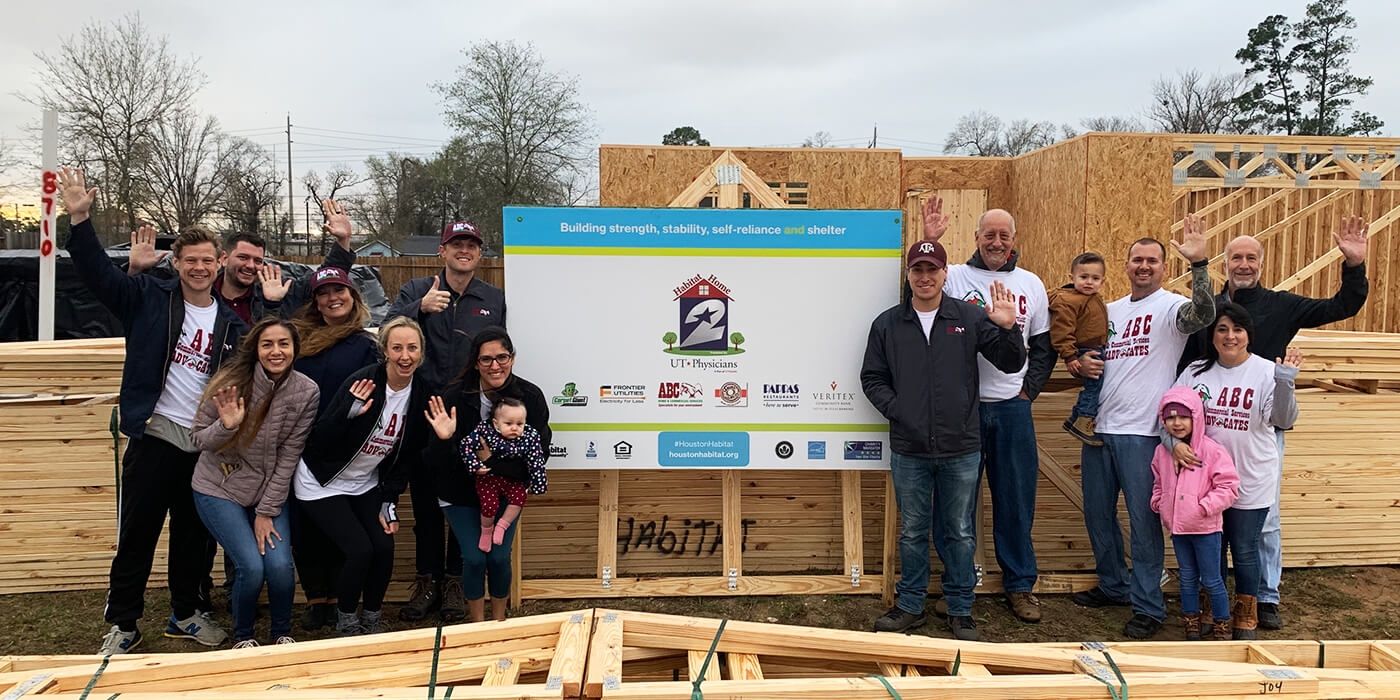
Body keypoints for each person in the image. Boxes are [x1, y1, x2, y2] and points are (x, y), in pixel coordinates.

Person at [61, 168, 246, 654]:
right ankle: (123, 624)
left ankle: (185, 614)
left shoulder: (230, 325)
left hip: (202, 446)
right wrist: (80, 219)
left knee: (193, 538)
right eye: (191, 260)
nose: (200, 268)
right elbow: (97, 277)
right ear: (178, 263)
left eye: (208, 260)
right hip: (156, 436)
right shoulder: (148, 297)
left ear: (220, 262)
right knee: (137, 537)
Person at [1176, 216, 1368, 631]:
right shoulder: (1205, 308)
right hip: (1211, 428)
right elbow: (1187, 358)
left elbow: (1341, 307)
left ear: (1261, 264)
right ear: (1224, 263)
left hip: (1262, 428)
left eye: (1251, 258)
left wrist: (1354, 267)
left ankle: (1264, 597)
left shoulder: (1282, 305)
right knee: (1210, 519)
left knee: (1264, 520)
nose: (1243, 264)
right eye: (1236, 258)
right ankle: (1216, 598)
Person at [859, 238, 1026, 641]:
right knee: (913, 531)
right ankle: (911, 604)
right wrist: (901, 412)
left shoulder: (968, 318)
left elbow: (1011, 362)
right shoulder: (888, 324)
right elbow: (872, 379)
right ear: (909, 275)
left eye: (932, 269)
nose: (925, 277)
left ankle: (960, 607)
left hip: (961, 448)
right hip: (910, 448)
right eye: (918, 269)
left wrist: (1009, 328)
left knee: (960, 531)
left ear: (945, 274)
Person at [1071, 213, 1214, 640]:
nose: (1144, 266)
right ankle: (1114, 586)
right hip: (1100, 429)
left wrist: (1200, 265)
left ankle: (1148, 606)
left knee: (1142, 521)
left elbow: (1203, 314)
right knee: (1098, 515)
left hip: (1144, 433)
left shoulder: (1171, 308)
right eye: (1137, 259)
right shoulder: (1107, 310)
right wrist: (1078, 362)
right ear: (1127, 264)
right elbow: (1086, 355)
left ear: (1164, 267)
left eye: (1152, 260)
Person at [922, 198, 1054, 624]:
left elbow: (1045, 348)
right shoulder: (956, 277)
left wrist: (1028, 392)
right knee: (955, 506)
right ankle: (959, 585)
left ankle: (1019, 586)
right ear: (976, 238)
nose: (996, 242)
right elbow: (917, 291)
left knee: (1016, 501)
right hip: (964, 410)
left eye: (1004, 235)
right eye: (988, 234)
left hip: (1012, 411)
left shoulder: (1032, 284)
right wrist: (928, 241)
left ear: (1013, 240)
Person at [387, 221, 504, 622]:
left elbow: (497, 353)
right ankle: (428, 581)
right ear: (442, 251)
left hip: (469, 413)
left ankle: (456, 580)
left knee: (465, 499)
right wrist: (417, 310)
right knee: (424, 502)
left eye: (471, 244)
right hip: (423, 411)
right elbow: (386, 331)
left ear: (479, 253)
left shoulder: (492, 298)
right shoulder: (416, 291)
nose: (464, 250)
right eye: (457, 244)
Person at [294, 317, 437, 635]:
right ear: (385, 350)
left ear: (421, 353)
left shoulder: (423, 393)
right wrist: (348, 414)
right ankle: (346, 619)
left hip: (364, 483)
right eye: (397, 347)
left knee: (384, 549)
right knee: (360, 550)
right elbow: (319, 440)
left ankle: (371, 616)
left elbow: (407, 457)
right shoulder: (364, 383)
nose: (405, 356)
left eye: (412, 348)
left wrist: (389, 500)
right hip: (321, 481)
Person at [190, 318, 320, 648]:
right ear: (256, 349)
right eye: (267, 344)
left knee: (278, 567)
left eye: (283, 344)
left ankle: (281, 633)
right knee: (250, 566)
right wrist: (227, 426)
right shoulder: (231, 383)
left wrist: (266, 511)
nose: (276, 351)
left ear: (294, 349)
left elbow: (290, 455)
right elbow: (198, 439)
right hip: (220, 487)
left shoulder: (307, 391)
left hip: (267, 492)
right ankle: (243, 637)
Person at [1175, 304, 1301, 639]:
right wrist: (1171, 443)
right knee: (1210, 550)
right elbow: (1171, 412)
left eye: (1238, 329)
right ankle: (1212, 614)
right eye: (1222, 329)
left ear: (1248, 335)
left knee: (1244, 549)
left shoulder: (1264, 372)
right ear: (1212, 336)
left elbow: (1284, 420)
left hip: (1251, 478)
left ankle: (1246, 618)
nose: (1230, 336)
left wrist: (1285, 383)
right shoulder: (1196, 373)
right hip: (1204, 482)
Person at [424, 326, 551, 623]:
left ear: (512, 358)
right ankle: (478, 626)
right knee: (473, 557)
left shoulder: (529, 398)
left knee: (497, 556)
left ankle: (499, 623)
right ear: (475, 363)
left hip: (507, 491)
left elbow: (536, 458)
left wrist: (491, 461)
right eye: (486, 359)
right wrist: (445, 440)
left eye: (502, 357)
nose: (495, 365)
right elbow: (434, 462)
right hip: (460, 493)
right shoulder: (453, 396)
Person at [285, 246, 382, 632]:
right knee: (306, 530)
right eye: (323, 294)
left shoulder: (364, 344)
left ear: (352, 297)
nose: (332, 298)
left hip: (343, 450)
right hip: (300, 445)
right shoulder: (298, 340)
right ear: (316, 302)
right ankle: (316, 599)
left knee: (343, 531)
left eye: (339, 291)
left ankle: (340, 597)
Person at [124, 205, 356, 326]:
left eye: (257, 260)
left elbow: (325, 279)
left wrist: (343, 241)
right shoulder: (192, 289)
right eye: (243, 257)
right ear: (224, 258)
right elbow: (135, 302)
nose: (251, 266)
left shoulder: (274, 292)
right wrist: (135, 270)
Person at [1149, 387, 1239, 641]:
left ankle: (1222, 624)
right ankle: (1191, 623)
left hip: (1205, 529)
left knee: (1211, 579)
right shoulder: (1161, 452)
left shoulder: (1212, 451)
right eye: (1170, 418)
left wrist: (1205, 507)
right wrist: (1160, 503)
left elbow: (1229, 486)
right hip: (1178, 529)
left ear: (1196, 418)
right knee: (1187, 578)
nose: (1176, 423)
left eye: (1183, 417)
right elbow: (1158, 482)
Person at [458, 397, 547, 552]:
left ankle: (502, 526)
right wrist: (475, 466)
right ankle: (486, 530)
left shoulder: (530, 436)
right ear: (496, 423)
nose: (515, 428)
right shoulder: (485, 431)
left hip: (513, 480)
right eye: (508, 423)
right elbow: (465, 445)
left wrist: (539, 485)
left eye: (520, 424)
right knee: (489, 505)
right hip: (488, 478)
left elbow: (536, 461)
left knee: (519, 499)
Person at [1049, 252, 1110, 446]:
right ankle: (1083, 420)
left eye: (1095, 278)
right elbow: (1061, 331)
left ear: (1103, 281)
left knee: (1095, 386)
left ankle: (1073, 419)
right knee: (1094, 387)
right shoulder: (1068, 301)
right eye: (1083, 277)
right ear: (1071, 278)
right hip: (1085, 351)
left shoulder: (1092, 298)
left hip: (1096, 347)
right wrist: (1070, 356)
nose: (1089, 282)